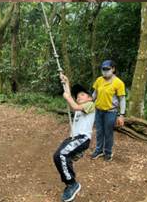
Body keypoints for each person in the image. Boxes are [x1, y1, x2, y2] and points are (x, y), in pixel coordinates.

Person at [53, 74, 95, 202]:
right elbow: (69, 94)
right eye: (77, 96)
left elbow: (74, 105)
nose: (78, 97)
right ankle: (70, 182)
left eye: (82, 94)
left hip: (82, 138)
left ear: (89, 98)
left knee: (61, 154)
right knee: (57, 156)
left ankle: (72, 184)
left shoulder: (90, 105)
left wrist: (68, 97)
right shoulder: (79, 108)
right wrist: (66, 81)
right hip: (73, 138)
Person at [90, 60, 126, 162]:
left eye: (107, 69)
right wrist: (87, 102)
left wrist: (121, 115)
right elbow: (94, 94)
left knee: (108, 133)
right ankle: (99, 150)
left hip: (111, 112)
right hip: (98, 110)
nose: (105, 71)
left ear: (113, 69)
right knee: (99, 132)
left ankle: (108, 152)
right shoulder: (99, 80)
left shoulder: (118, 83)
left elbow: (122, 99)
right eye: (103, 69)